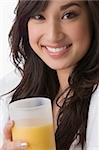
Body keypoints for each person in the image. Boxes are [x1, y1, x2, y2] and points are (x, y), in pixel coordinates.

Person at [1, 0, 99, 149]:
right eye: (39, 17)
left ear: (92, 17)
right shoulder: (15, 88)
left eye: (68, 15)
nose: (53, 35)